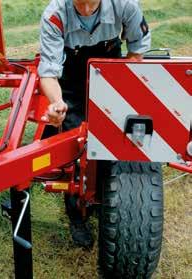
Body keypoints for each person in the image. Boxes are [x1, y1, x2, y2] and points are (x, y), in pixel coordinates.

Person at [38, 0, 151, 248]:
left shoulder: (126, 6)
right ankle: (77, 215)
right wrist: (57, 103)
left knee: (114, 139)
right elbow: (48, 71)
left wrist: (119, 90)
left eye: (92, 4)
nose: (87, 10)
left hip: (111, 70)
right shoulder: (55, 15)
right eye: (80, 5)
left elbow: (137, 50)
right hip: (71, 78)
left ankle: (109, 196)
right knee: (74, 148)